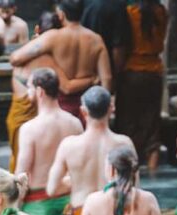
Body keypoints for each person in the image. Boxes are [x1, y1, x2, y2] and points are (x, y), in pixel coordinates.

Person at [6, 11, 94, 173]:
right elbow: (67, 87)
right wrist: (92, 79)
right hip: (29, 114)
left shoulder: (25, 51)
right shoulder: (45, 58)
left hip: (16, 113)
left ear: (37, 29)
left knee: (20, 159)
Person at [46, 86, 133, 215]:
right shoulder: (124, 144)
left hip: (81, 213)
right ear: (111, 108)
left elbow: (51, 189)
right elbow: (133, 188)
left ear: (83, 111)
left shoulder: (69, 145)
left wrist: (75, 181)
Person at [11, 0, 112, 122]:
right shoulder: (96, 40)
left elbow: (15, 58)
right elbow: (107, 78)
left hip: (59, 107)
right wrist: (102, 109)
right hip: (86, 107)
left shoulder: (53, 37)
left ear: (61, 15)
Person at [15, 68, 82, 215]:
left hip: (38, 207)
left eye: (29, 87)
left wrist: (14, 211)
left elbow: (21, 175)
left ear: (39, 91)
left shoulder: (29, 129)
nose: (27, 92)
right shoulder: (75, 123)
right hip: (69, 202)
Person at [115, 0, 168, 171]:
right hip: (154, 72)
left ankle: (130, 172)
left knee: (128, 123)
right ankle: (154, 172)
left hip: (131, 72)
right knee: (152, 125)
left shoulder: (129, 12)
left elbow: (123, 42)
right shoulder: (161, 11)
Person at [82, 0, 132, 84]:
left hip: (85, 71)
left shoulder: (85, 4)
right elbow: (118, 48)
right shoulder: (119, 8)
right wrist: (117, 74)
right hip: (106, 71)